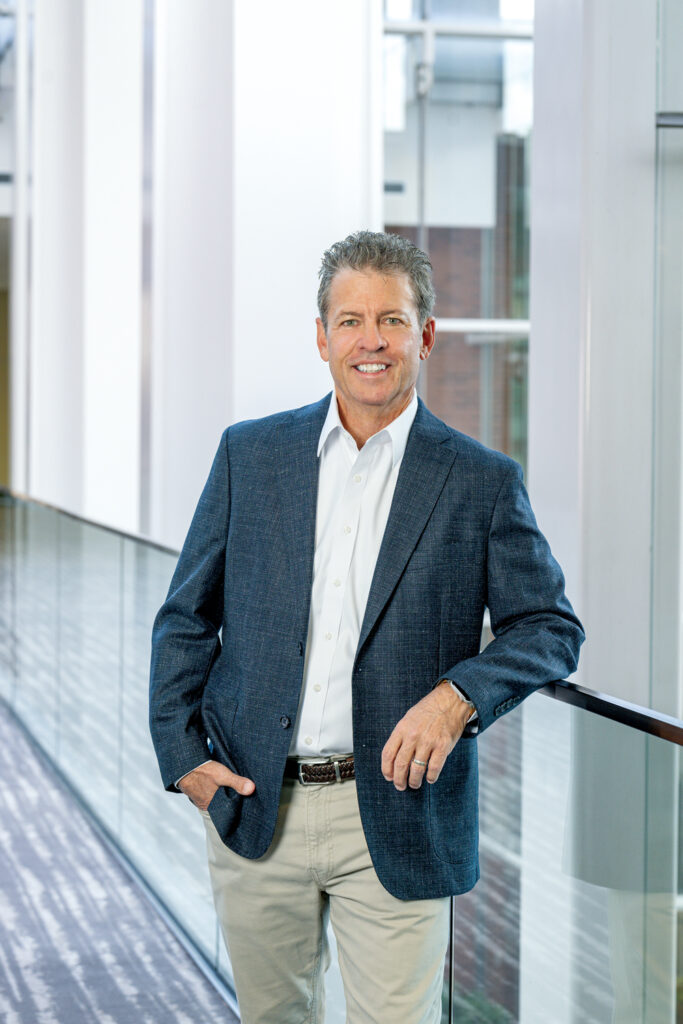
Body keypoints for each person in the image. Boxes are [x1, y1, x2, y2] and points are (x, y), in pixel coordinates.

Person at [149, 230, 584, 1024]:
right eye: (349, 321)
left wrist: (456, 699)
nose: (370, 341)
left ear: (424, 335)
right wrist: (184, 760)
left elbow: (549, 626)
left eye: (391, 319)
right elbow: (185, 618)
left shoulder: (480, 482)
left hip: (397, 811)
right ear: (321, 337)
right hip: (253, 804)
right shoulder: (251, 456)